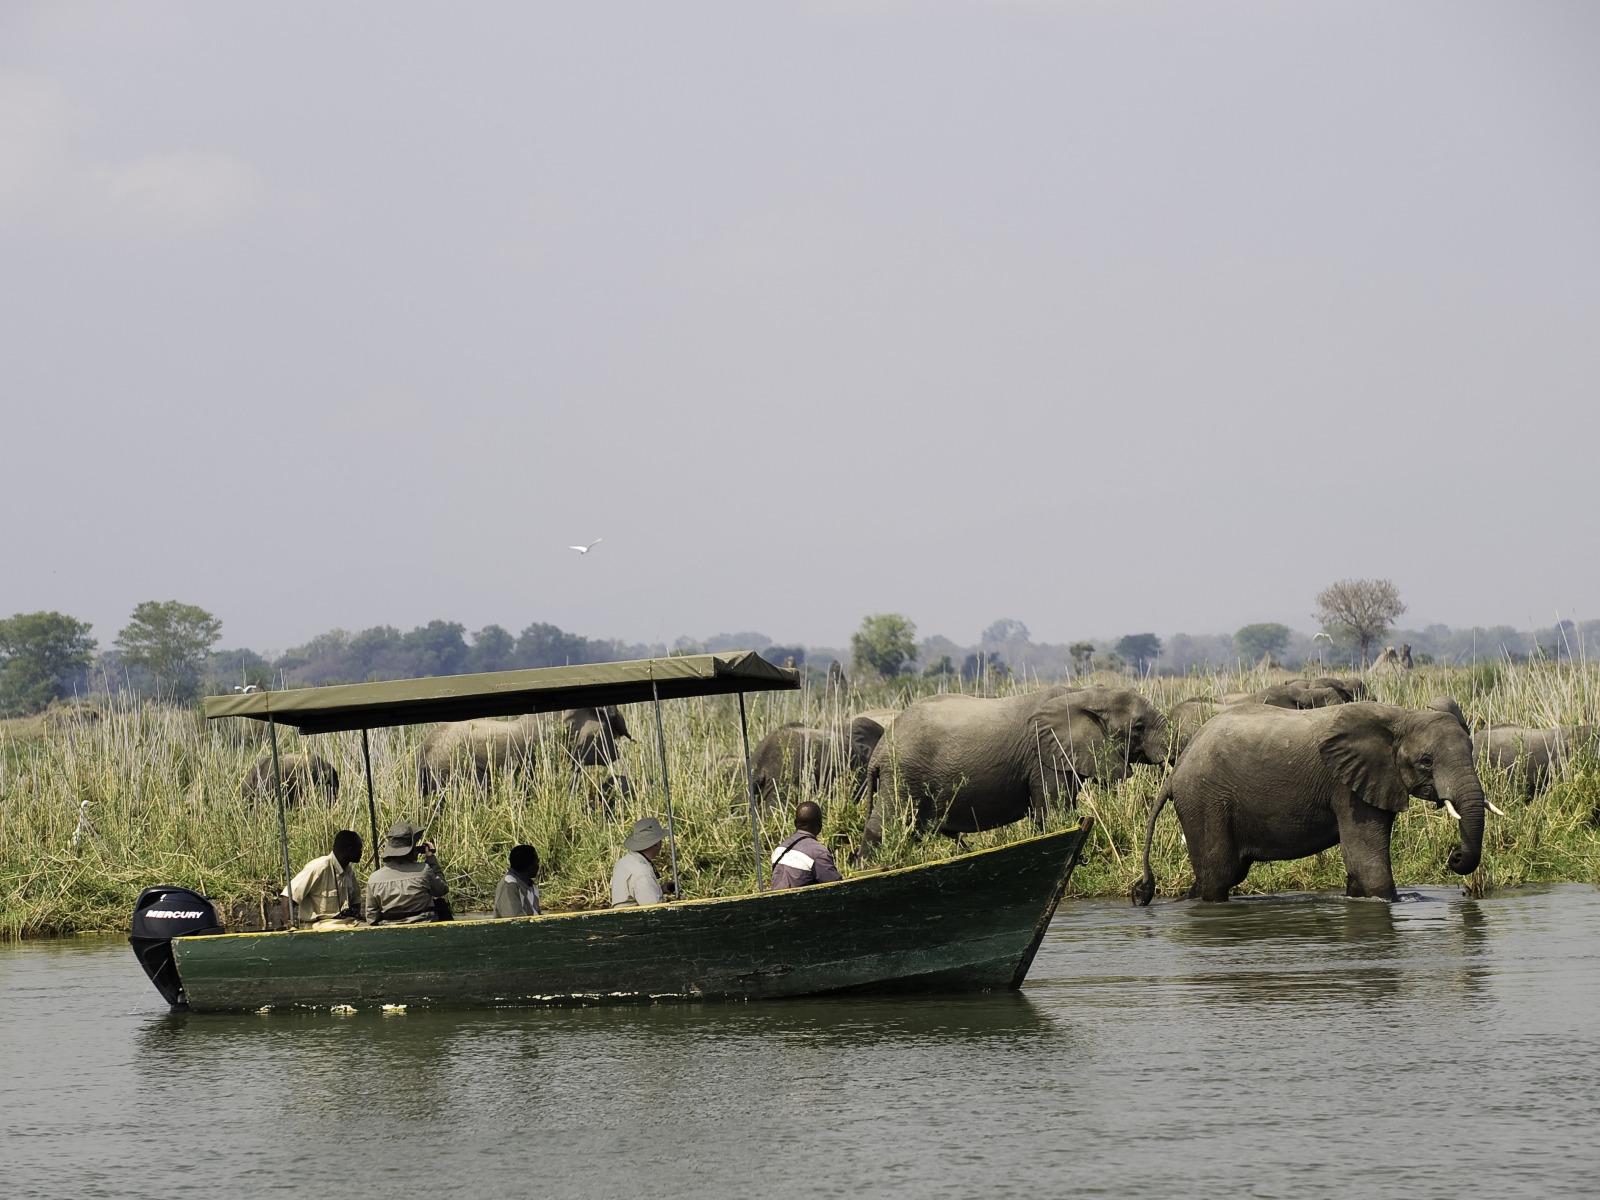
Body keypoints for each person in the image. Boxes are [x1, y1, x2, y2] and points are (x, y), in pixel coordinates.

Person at [365, 821, 450, 924]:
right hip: (426, 931)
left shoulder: (374, 879)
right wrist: (431, 858)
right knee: (441, 904)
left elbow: (371, 916)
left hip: (391, 934)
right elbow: (442, 889)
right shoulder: (424, 871)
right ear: (411, 850)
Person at [283, 830, 363, 928]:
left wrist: (353, 912)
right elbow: (288, 896)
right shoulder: (320, 867)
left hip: (347, 922)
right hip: (321, 925)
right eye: (359, 849)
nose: (361, 852)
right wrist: (290, 922)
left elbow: (356, 901)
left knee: (370, 928)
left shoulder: (348, 871)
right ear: (350, 849)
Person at [769, 801, 842, 890]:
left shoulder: (778, 850)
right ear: (820, 826)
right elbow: (838, 888)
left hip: (776, 902)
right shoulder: (818, 853)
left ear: (795, 823)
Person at [611, 817, 672, 908]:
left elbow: (635, 893)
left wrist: (660, 889)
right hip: (635, 920)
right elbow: (655, 911)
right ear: (655, 843)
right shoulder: (643, 872)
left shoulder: (622, 862)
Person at [493, 844, 542, 918]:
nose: (538, 866)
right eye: (537, 862)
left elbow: (536, 915)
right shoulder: (509, 885)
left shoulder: (531, 885)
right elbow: (514, 921)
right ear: (530, 868)